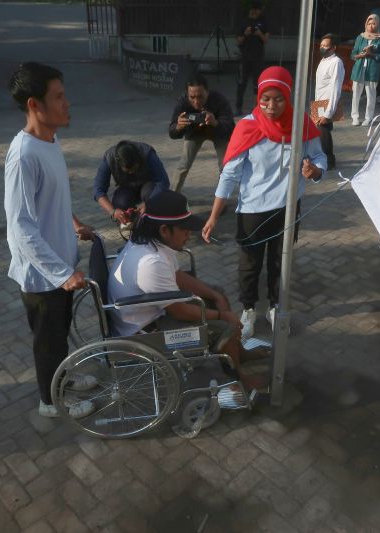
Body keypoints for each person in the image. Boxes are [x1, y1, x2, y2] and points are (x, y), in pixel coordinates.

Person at [202, 66, 326, 339]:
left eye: (278, 99)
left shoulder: (302, 124)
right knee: (250, 265)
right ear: (257, 98)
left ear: (288, 97)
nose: (271, 106)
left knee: (280, 262)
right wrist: (213, 215)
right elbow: (230, 174)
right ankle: (248, 310)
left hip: (288, 209)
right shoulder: (247, 127)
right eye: (265, 99)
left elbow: (319, 157)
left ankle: (275, 306)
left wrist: (315, 171)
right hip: (253, 211)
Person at [4, 62, 97, 419]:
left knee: (59, 335)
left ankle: (65, 379)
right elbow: (20, 227)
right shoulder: (24, 156)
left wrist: (73, 223)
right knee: (48, 341)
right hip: (44, 276)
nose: (67, 103)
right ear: (34, 105)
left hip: (60, 264)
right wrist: (60, 274)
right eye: (58, 97)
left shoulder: (50, 140)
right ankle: (50, 402)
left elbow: (50, 198)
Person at [108, 190, 271, 389]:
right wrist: (222, 315)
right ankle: (238, 380)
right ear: (165, 230)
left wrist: (214, 295)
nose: (189, 233)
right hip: (145, 331)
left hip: (153, 312)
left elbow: (176, 275)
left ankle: (238, 353)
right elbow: (180, 311)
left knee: (216, 291)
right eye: (184, 228)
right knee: (223, 325)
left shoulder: (154, 243)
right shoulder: (151, 263)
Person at [169, 74, 234, 192]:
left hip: (217, 132)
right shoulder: (183, 102)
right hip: (194, 133)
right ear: (187, 94)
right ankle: (172, 197)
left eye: (200, 97)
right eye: (192, 97)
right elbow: (172, 132)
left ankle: (221, 198)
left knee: (225, 167)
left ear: (207, 92)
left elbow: (231, 128)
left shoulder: (219, 100)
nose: (196, 101)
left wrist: (215, 123)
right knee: (183, 164)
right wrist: (178, 127)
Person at [93, 140, 170, 226]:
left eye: (134, 168)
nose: (131, 172)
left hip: (147, 185)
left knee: (150, 194)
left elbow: (163, 182)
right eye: (128, 171)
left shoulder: (147, 153)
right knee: (120, 202)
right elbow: (98, 190)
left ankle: (152, 222)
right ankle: (129, 222)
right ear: (119, 164)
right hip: (126, 187)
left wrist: (149, 203)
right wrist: (113, 211)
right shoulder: (109, 157)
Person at [313, 33, 345, 170]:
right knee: (318, 133)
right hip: (318, 102)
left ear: (333, 48)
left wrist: (328, 113)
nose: (322, 48)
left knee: (323, 132)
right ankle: (321, 157)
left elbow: (336, 88)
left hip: (327, 103)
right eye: (321, 45)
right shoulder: (323, 60)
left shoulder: (336, 62)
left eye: (326, 46)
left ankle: (329, 160)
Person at [350, 14, 380, 126]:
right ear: (366, 24)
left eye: (374, 23)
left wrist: (372, 54)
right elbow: (353, 54)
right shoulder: (360, 37)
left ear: (377, 24)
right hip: (358, 70)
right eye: (369, 23)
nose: (371, 26)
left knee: (371, 95)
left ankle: (368, 118)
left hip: (372, 71)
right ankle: (355, 117)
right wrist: (360, 55)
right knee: (356, 94)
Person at [234, 1, 269, 116]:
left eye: (257, 10)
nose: (255, 12)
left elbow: (266, 40)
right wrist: (245, 34)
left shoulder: (263, 22)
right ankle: (238, 107)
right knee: (241, 83)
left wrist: (259, 33)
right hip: (244, 58)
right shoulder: (243, 22)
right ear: (250, 10)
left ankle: (256, 108)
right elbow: (238, 40)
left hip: (258, 58)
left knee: (257, 84)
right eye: (253, 9)